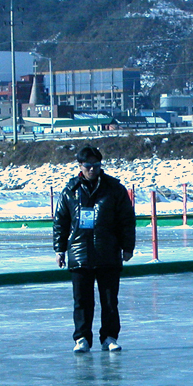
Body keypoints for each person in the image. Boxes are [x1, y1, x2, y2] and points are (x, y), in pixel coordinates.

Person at [53, 146, 136, 353]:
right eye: (88, 166)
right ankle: (82, 338)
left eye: (96, 166)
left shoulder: (114, 189)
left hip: (107, 253)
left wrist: (127, 247)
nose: (92, 170)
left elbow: (127, 220)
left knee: (109, 301)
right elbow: (60, 222)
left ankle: (109, 337)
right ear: (80, 166)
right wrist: (60, 249)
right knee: (82, 300)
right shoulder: (70, 191)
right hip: (80, 253)